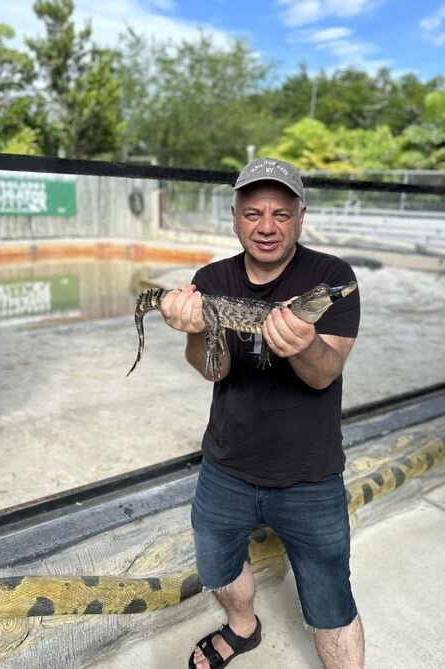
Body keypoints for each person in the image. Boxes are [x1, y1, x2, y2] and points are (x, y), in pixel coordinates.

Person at [160, 158, 364, 669]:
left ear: (300, 215)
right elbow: (214, 371)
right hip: (226, 468)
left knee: (330, 603)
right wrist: (196, 328)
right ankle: (243, 628)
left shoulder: (331, 277)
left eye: (280, 213)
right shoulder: (211, 278)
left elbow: (323, 374)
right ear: (235, 218)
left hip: (309, 476)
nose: (267, 226)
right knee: (216, 566)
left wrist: (301, 344)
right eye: (253, 213)